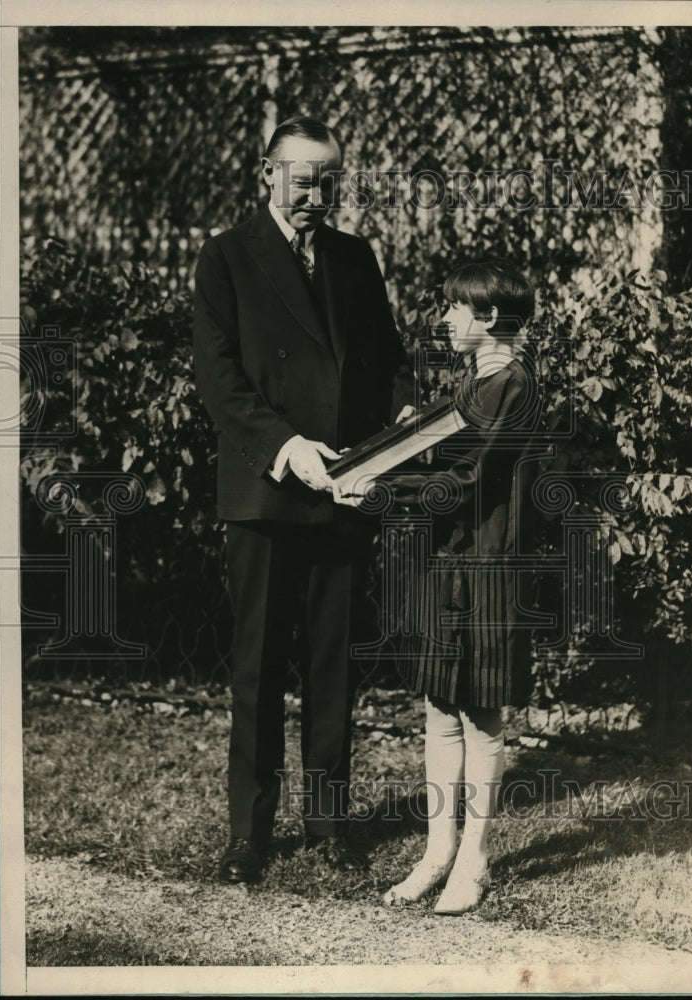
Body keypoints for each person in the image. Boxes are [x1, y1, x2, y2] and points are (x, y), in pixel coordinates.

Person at [193, 116, 415, 884]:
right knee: (257, 667)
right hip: (267, 491)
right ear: (267, 172)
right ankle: (248, 837)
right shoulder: (226, 257)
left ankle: (329, 824)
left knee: (333, 666)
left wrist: (400, 430)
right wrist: (289, 449)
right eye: (301, 179)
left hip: (347, 489)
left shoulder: (354, 258)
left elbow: (388, 361)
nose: (315, 195)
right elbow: (220, 380)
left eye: (329, 181)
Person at [338, 260, 540, 914]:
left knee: (481, 716)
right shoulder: (471, 383)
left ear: (490, 317)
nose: (445, 318)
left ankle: (473, 861)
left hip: (487, 566)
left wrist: (381, 486)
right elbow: (439, 459)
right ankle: (436, 853)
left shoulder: (515, 385)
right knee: (438, 709)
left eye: (455, 307)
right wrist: (397, 453)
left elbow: (474, 478)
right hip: (447, 562)